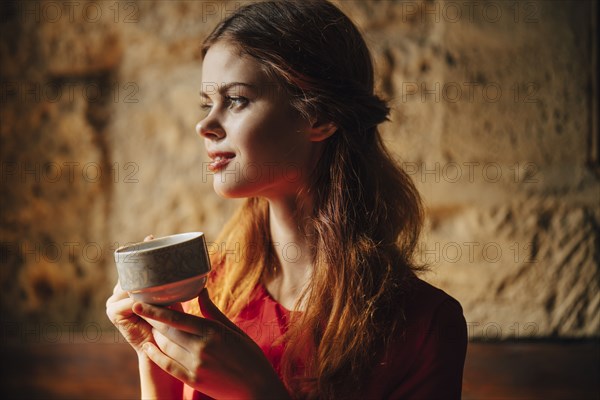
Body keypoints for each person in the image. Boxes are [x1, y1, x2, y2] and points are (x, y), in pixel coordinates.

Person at [106, 1, 468, 399]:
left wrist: (258, 389)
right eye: (208, 103)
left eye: (237, 100)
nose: (205, 125)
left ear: (320, 116)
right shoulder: (206, 289)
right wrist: (149, 349)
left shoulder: (423, 325)